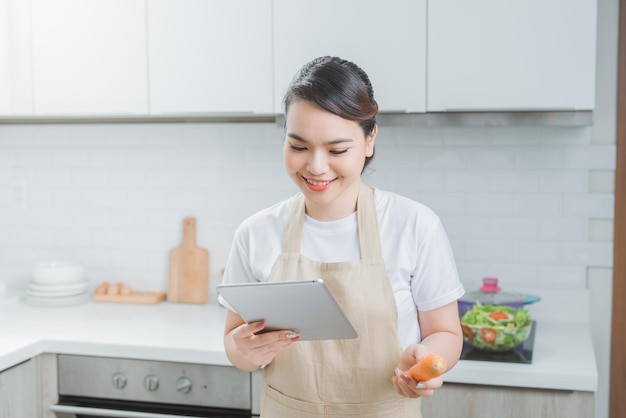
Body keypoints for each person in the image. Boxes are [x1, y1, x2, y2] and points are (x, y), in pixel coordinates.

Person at [222, 56, 465, 417]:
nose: (316, 166)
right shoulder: (256, 233)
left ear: (370, 140)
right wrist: (241, 352)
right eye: (298, 146)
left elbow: (446, 333)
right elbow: (235, 341)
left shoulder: (414, 225)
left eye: (337, 150)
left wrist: (428, 360)